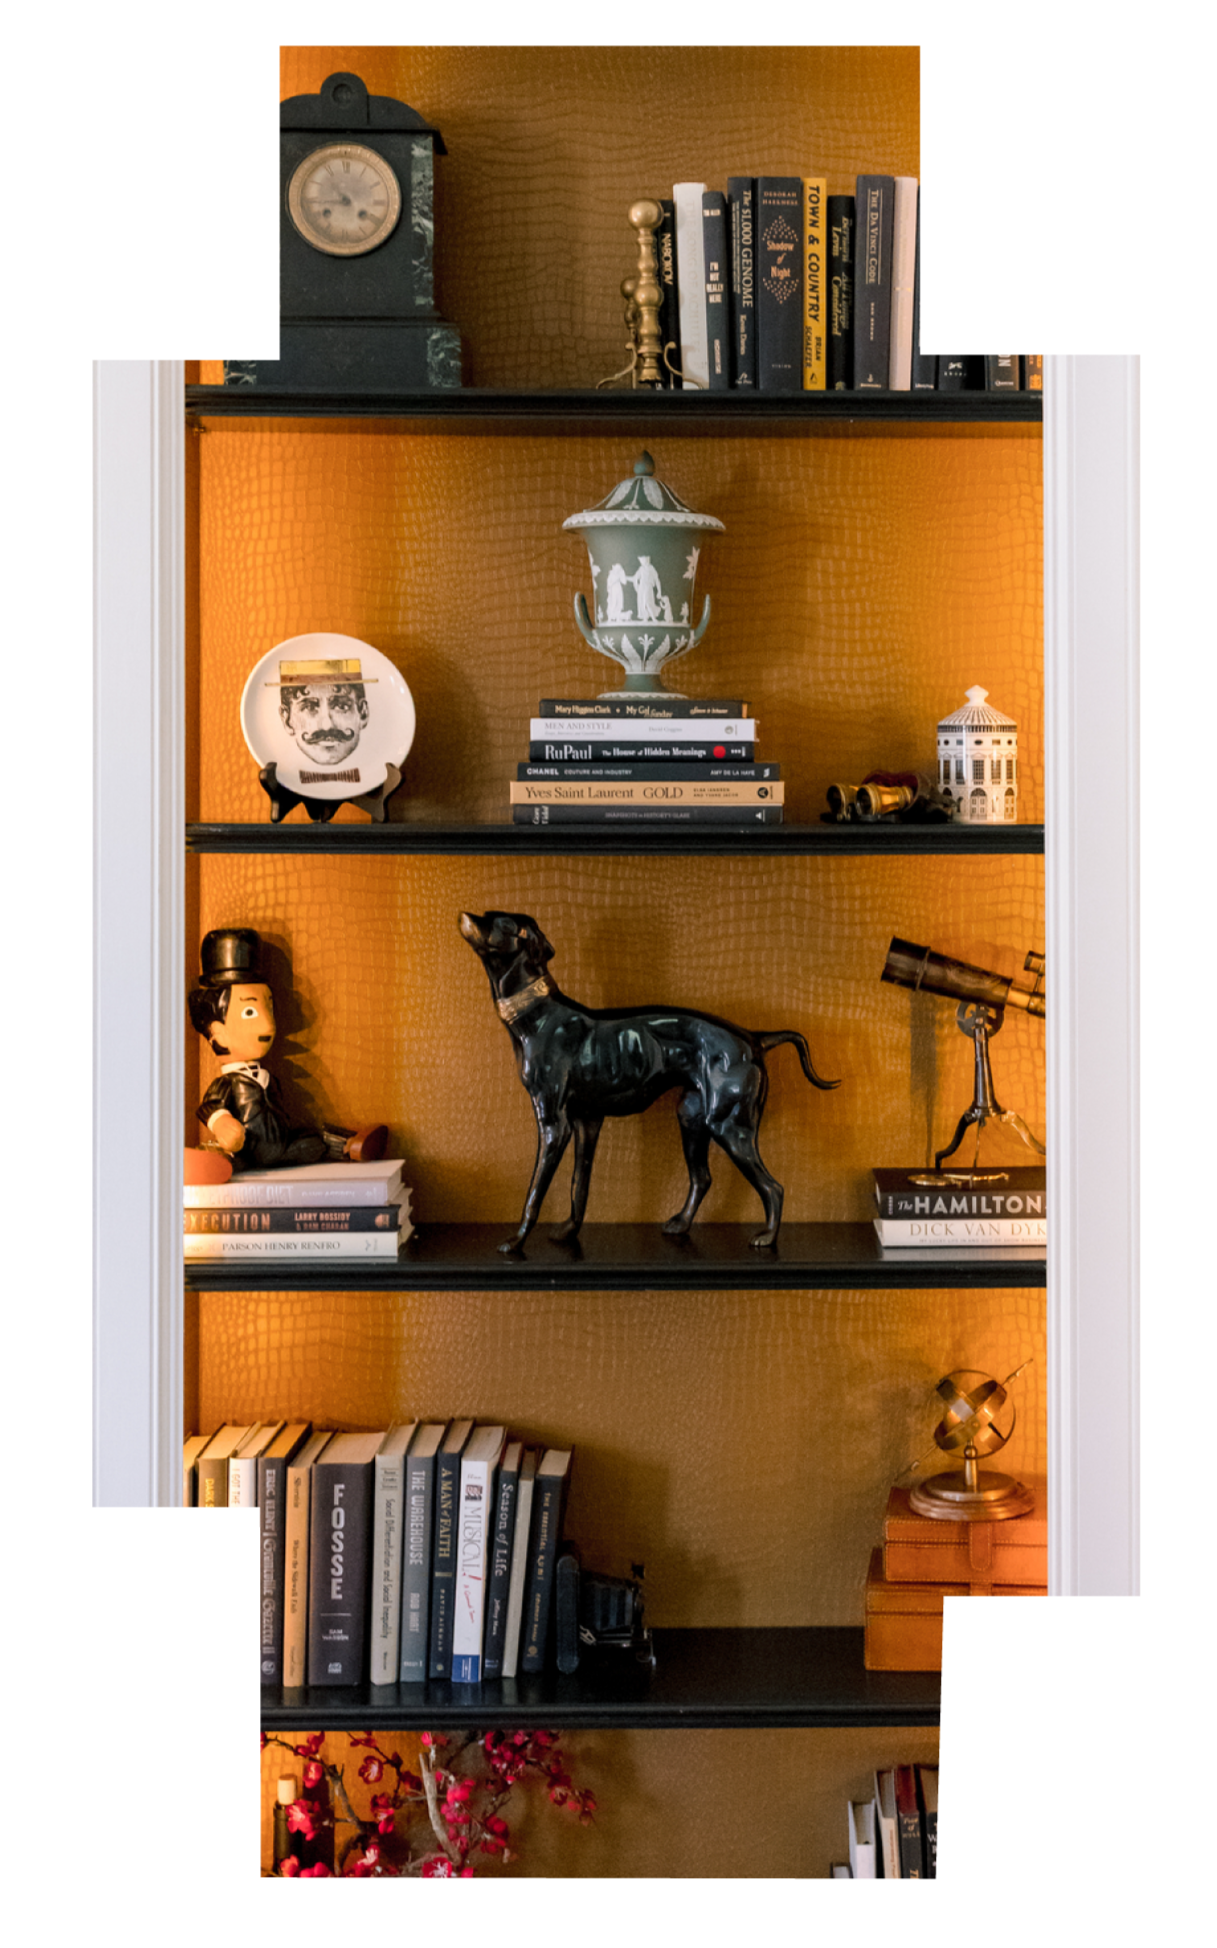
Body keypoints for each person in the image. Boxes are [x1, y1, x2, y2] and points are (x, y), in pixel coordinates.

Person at [188, 929, 327, 1171]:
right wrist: (222, 1124)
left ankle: (342, 1146)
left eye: (269, 1009)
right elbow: (209, 1106)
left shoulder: (268, 1078)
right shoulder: (228, 1083)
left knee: (314, 1143)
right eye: (249, 1012)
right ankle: (221, 1159)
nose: (268, 1024)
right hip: (247, 1152)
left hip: (280, 1149)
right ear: (218, 1031)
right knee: (229, 1161)